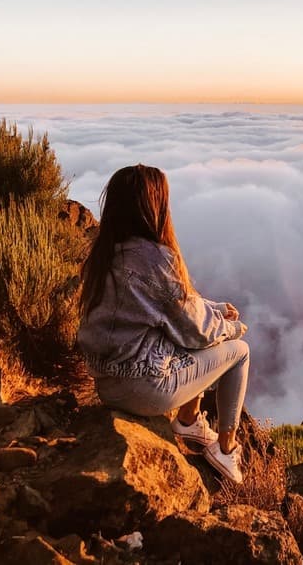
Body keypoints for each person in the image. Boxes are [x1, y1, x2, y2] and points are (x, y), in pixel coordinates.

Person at [76, 164, 249, 484]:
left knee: (186, 330)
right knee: (238, 351)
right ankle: (225, 450)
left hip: (106, 383)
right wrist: (232, 329)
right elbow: (196, 328)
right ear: (154, 204)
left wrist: (214, 308)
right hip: (145, 389)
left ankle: (189, 420)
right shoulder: (156, 258)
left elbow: (169, 306)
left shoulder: (104, 252)